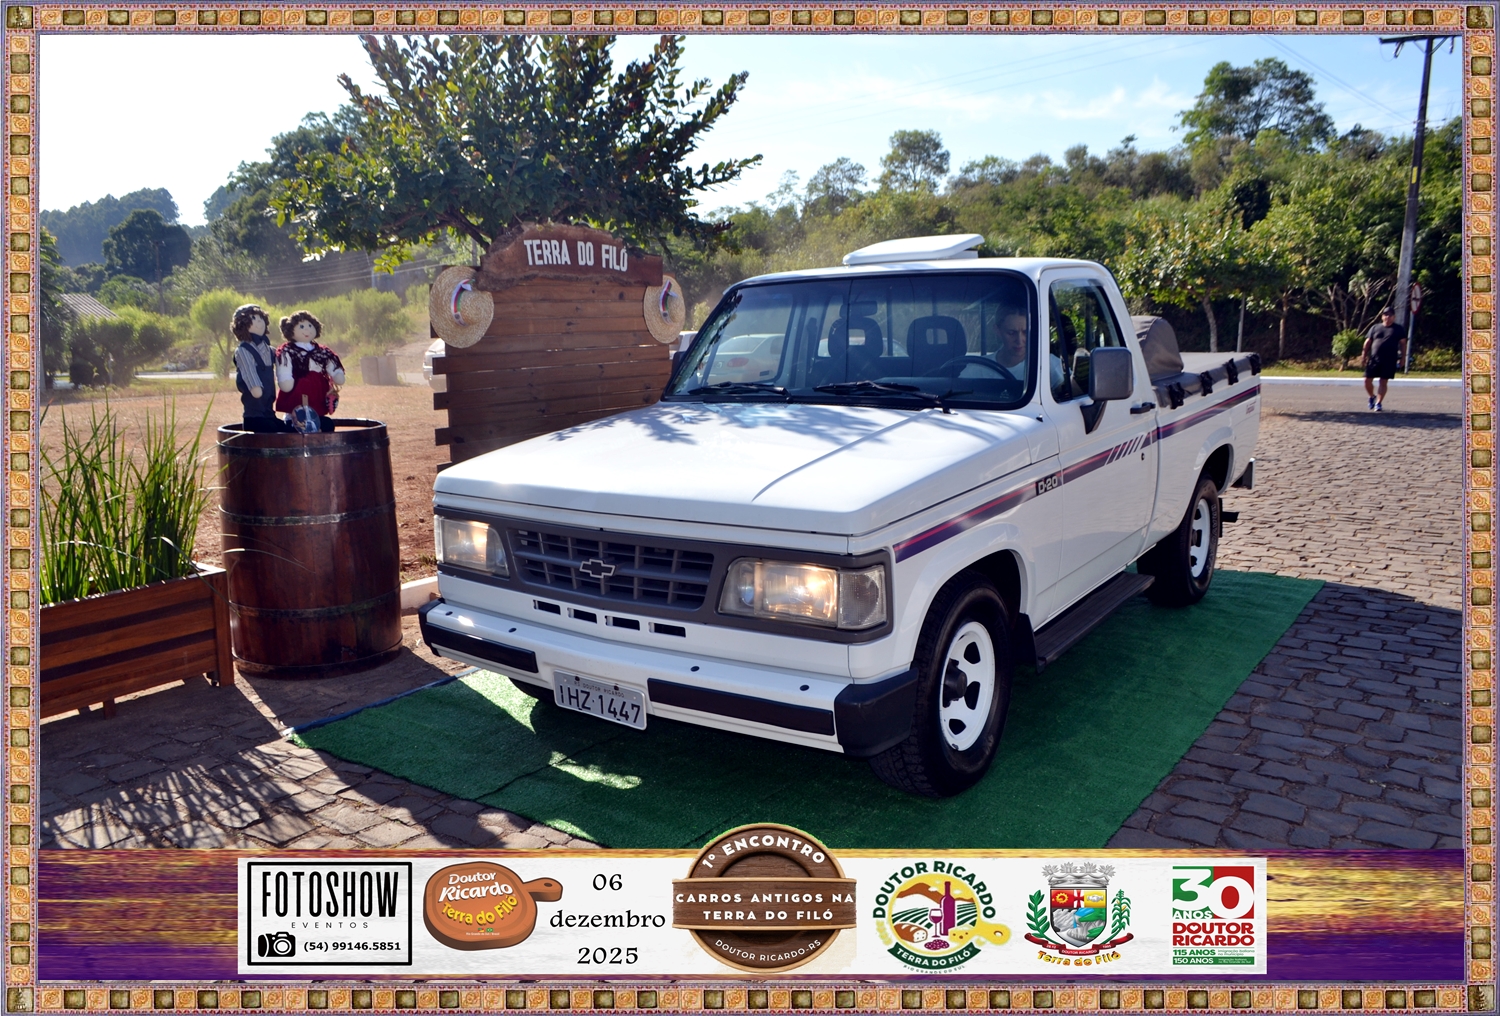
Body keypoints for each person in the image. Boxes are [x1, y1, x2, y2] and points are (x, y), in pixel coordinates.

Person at [274, 311, 346, 432]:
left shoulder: (322, 351)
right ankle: (292, 422)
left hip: (318, 393)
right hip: (296, 391)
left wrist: (337, 374)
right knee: (294, 422)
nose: (307, 329)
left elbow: (331, 362)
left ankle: (317, 425)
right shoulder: (288, 350)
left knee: (325, 423)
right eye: (301, 326)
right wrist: (285, 378)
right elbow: (284, 365)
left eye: (309, 325)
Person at [231, 303, 289, 432]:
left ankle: (269, 415)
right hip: (253, 412)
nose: (259, 322)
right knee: (266, 425)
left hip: (268, 408)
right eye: (253, 318)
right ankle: (254, 419)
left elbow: (280, 358)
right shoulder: (243, 350)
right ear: (242, 324)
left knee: (279, 427)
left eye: (261, 318)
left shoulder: (267, 349)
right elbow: (248, 371)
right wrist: (255, 387)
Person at [994, 306, 1065, 392]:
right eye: (1011, 333)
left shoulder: (1047, 363)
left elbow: (1073, 394)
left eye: (1025, 332)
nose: (1019, 340)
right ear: (997, 331)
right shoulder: (980, 367)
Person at [1362, 306, 1407, 411]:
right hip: (1374, 359)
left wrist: (1403, 358)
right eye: (1385, 315)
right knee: (1367, 380)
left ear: (1394, 317)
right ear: (1382, 316)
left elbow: (1403, 344)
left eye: (1390, 315)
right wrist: (1364, 355)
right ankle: (1372, 396)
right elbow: (1368, 342)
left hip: (1389, 359)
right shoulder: (1375, 327)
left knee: (1383, 382)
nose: (1387, 317)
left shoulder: (1398, 329)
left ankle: (1378, 403)